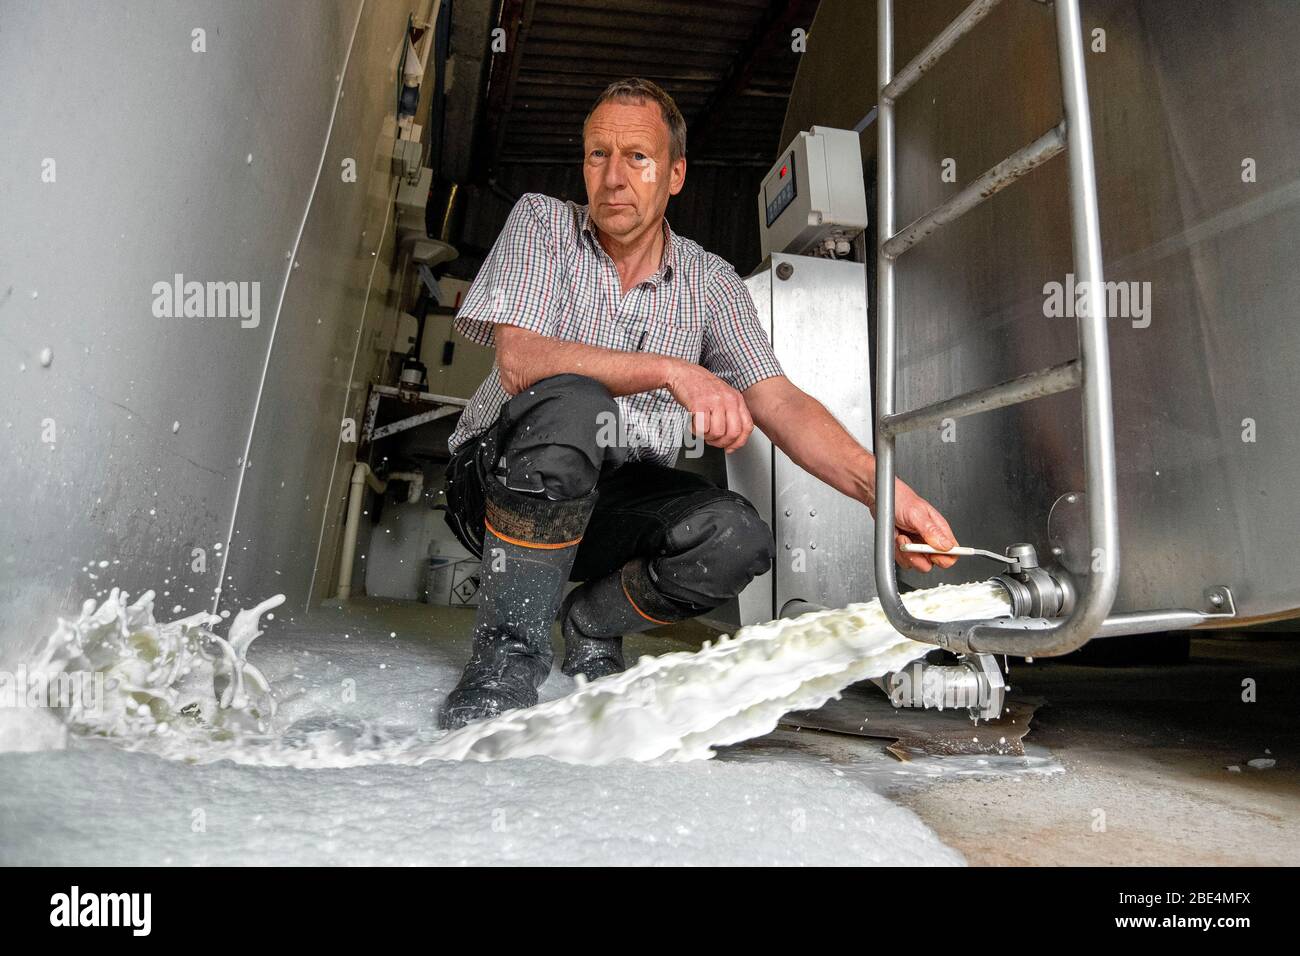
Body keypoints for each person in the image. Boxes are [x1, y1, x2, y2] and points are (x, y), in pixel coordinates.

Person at [439, 77, 958, 729]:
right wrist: (673, 371)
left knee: (735, 537)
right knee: (571, 400)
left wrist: (880, 493)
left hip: (611, 495)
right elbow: (521, 360)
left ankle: (593, 622)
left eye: (638, 157)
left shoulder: (710, 281)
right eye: (597, 155)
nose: (613, 177)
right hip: (495, 483)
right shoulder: (543, 223)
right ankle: (503, 664)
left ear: (676, 174)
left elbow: (779, 401)